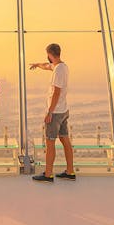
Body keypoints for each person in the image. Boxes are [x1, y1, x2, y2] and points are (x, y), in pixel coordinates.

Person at [30, 43, 75, 183]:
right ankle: (70, 171)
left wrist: (49, 112)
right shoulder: (61, 66)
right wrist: (37, 64)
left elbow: (56, 92)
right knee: (65, 139)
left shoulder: (58, 71)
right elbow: (47, 65)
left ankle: (48, 174)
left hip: (55, 112)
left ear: (50, 54)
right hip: (63, 110)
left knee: (50, 142)